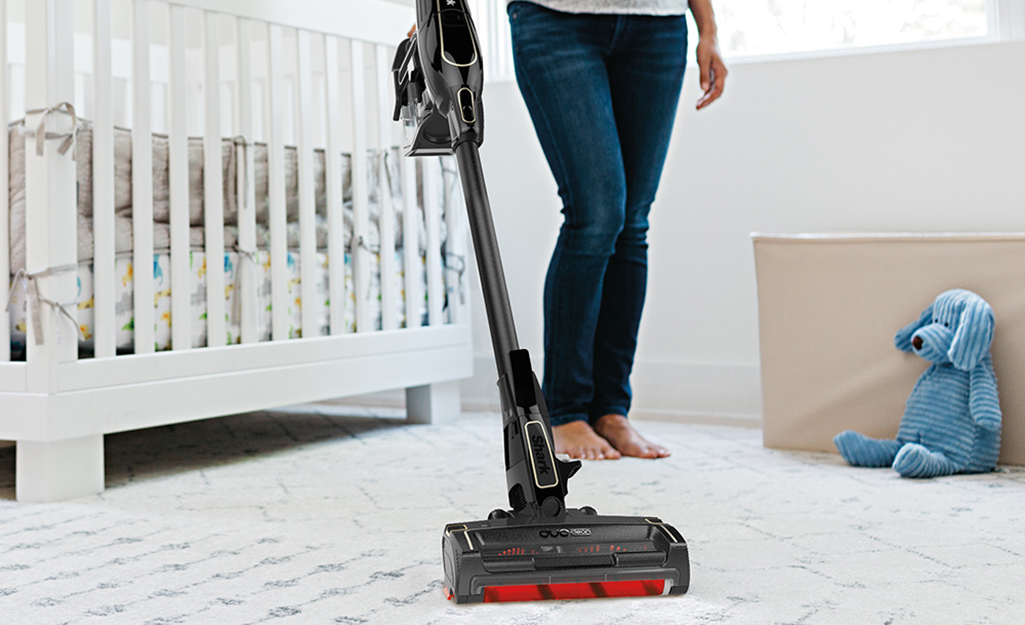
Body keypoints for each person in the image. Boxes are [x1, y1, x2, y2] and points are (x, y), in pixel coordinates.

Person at [507, 0, 727, 460]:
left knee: (631, 223)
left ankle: (611, 409)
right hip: (554, 19)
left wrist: (708, 28)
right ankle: (565, 412)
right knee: (596, 215)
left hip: (659, 25)